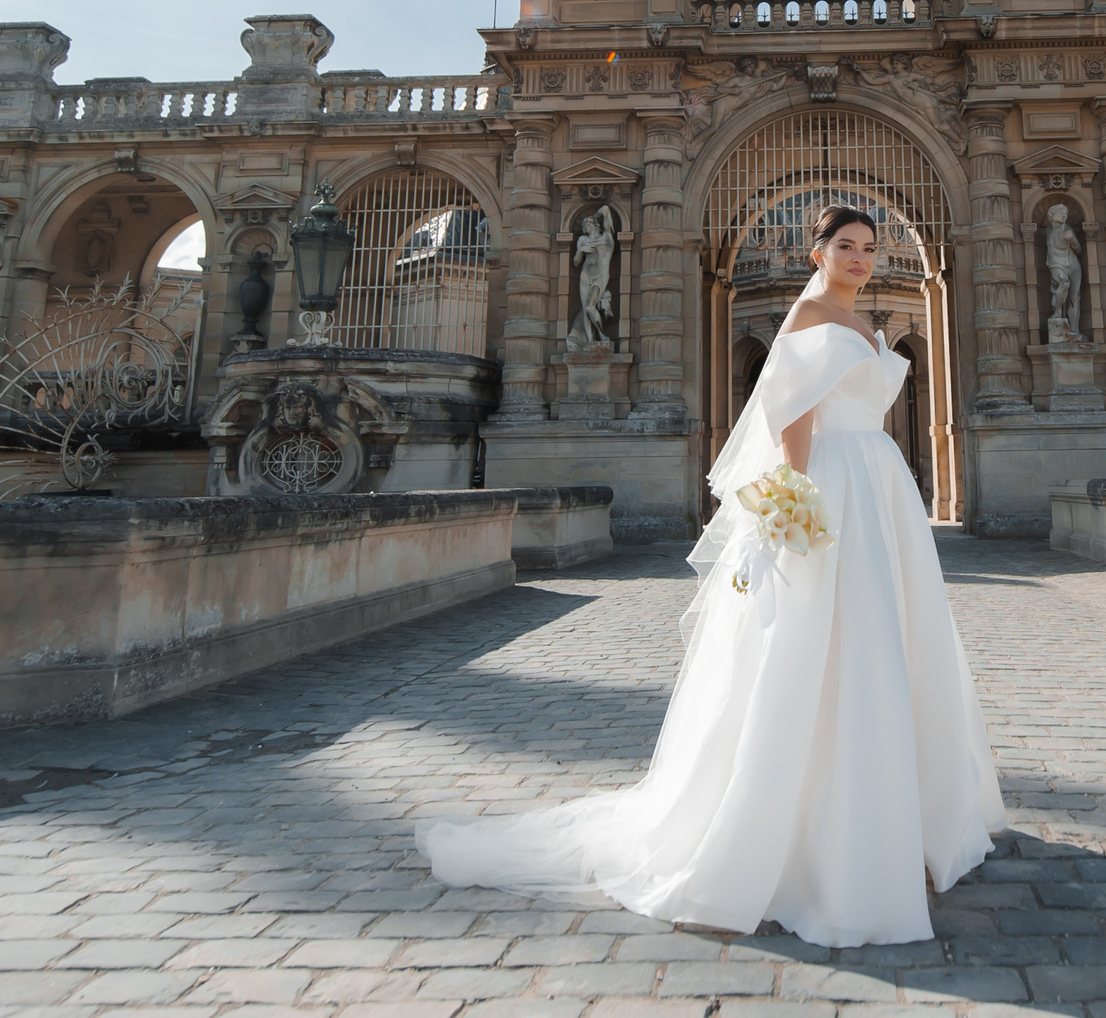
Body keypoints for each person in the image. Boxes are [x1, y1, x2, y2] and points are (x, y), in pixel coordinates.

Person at [420, 201, 1006, 945]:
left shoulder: (858, 319)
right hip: (835, 483)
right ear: (818, 253)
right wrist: (797, 497)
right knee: (823, 639)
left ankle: (889, 816)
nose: (861, 257)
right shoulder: (809, 316)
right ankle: (816, 835)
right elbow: (789, 413)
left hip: (879, 485)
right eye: (845, 246)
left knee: (884, 634)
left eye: (869, 246)